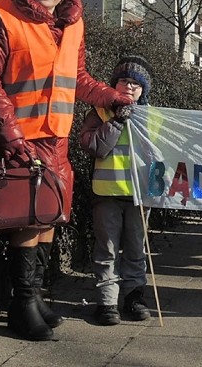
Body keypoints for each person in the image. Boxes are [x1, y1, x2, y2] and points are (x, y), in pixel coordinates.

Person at [0, 0, 132, 341]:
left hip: (55, 135)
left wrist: (110, 96)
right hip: (17, 135)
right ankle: (21, 305)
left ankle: (34, 295)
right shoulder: (3, 14)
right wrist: (9, 132)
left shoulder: (72, 25)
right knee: (26, 217)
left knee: (48, 215)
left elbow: (76, 78)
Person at [80, 55, 154, 326]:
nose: (130, 87)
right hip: (106, 194)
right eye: (124, 81)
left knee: (136, 249)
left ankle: (134, 297)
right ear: (114, 84)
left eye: (137, 84)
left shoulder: (152, 118)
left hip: (138, 196)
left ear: (144, 89)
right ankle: (107, 301)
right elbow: (95, 147)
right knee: (107, 249)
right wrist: (117, 121)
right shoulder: (99, 113)